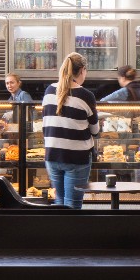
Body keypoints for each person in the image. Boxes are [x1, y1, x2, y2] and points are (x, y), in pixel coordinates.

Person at [42, 52, 99, 209]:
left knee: (59, 202)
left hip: (52, 155)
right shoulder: (86, 95)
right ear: (82, 70)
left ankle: (59, 226)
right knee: (72, 205)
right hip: (76, 158)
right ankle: (71, 226)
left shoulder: (49, 91)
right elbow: (95, 130)